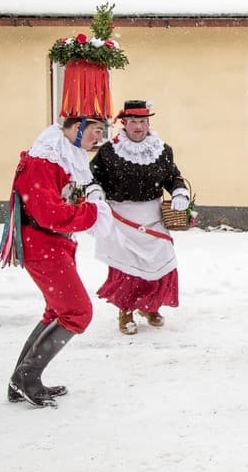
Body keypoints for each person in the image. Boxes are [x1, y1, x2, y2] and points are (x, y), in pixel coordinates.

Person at [0, 50, 118, 407]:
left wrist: (92, 207)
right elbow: (50, 212)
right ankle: (26, 378)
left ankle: (20, 381)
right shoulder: (43, 159)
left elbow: (65, 202)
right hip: (43, 244)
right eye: (96, 130)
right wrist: (93, 214)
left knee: (57, 312)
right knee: (78, 311)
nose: (99, 138)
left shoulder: (62, 155)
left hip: (54, 245)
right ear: (75, 127)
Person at [89, 100, 190, 335]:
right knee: (126, 269)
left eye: (142, 121)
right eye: (133, 121)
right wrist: (95, 191)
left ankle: (149, 307)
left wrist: (179, 191)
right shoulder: (109, 151)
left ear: (148, 123)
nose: (138, 127)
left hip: (152, 216)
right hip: (121, 217)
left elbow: (173, 176)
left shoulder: (162, 150)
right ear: (124, 123)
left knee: (160, 264)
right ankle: (125, 311)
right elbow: (92, 177)